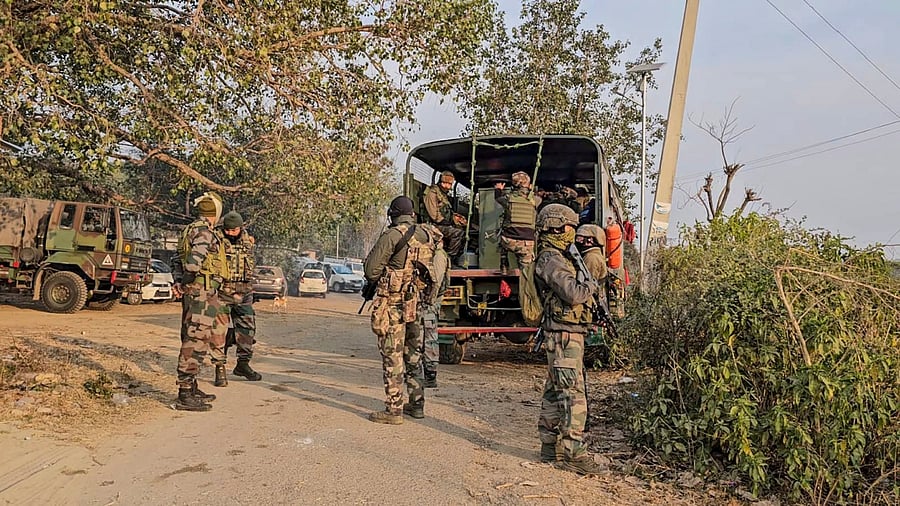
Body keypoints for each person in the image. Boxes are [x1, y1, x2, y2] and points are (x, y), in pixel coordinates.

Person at [533, 203, 605, 475]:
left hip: (566, 331)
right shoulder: (550, 258)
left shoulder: (559, 255)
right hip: (563, 333)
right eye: (569, 227)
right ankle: (574, 454)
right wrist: (591, 284)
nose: (573, 232)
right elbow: (573, 294)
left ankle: (549, 447)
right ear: (555, 228)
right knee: (573, 395)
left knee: (555, 391)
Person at [364, 196, 440, 424]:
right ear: (412, 214)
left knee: (393, 357)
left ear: (392, 214)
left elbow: (371, 270)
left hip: (395, 305)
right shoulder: (428, 235)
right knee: (414, 355)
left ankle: (394, 410)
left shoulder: (393, 235)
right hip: (417, 304)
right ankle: (417, 405)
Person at [170, 192, 231, 412]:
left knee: (198, 338)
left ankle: (192, 387)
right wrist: (187, 283)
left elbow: (176, 259)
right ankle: (185, 393)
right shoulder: (205, 232)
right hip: (201, 293)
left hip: (198, 293)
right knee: (195, 341)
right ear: (216, 212)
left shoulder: (190, 229)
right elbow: (192, 264)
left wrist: (179, 282)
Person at [218, 211, 262, 383]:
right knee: (219, 332)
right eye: (227, 230)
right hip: (222, 293)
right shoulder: (217, 240)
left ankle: (242, 364)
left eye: (234, 230)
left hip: (244, 293)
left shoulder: (248, 242)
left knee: (247, 330)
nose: (230, 233)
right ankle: (219, 367)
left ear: (240, 228)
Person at [494, 171, 541, 275]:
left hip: (509, 241)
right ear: (529, 185)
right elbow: (539, 199)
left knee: (501, 243)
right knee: (526, 272)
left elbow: (498, 198)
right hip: (527, 243)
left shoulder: (508, 199)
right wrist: (532, 190)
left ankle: (504, 267)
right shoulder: (535, 200)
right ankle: (525, 277)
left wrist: (498, 189)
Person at [418, 236, 448, 388]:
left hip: (430, 302)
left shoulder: (438, 256)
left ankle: (430, 375)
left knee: (429, 338)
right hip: (428, 301)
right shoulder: (435, 254)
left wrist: (429, 300)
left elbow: (436, 281)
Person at [422, 170, 465, 260]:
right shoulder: (432, 193)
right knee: (457, 233)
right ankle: (449, 259)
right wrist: (446, 222)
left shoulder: (442, 194)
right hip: (432, 225)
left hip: (441, 224)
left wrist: (455, 219)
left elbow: (446, 211)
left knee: (463, 231)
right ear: (440, 181)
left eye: (449, 184)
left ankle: (454, 257)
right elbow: (434, 215)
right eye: (445, 183)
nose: (447, 186)